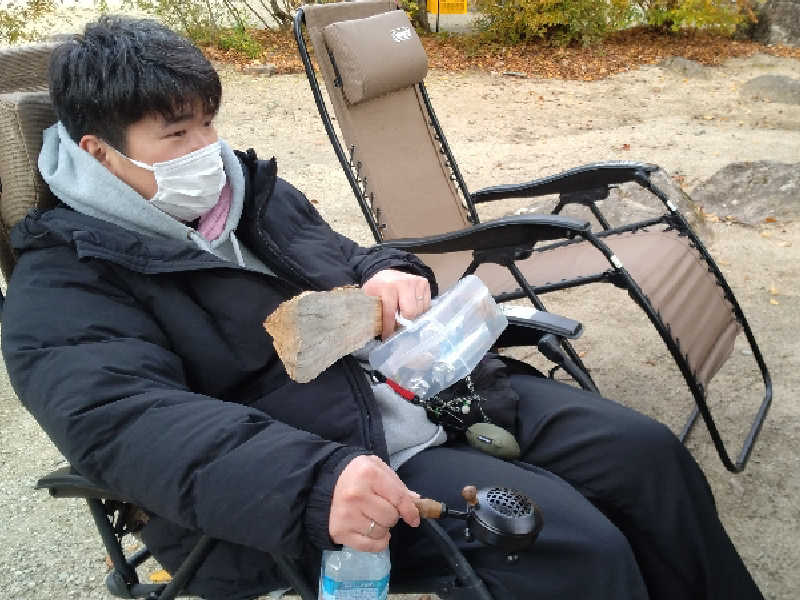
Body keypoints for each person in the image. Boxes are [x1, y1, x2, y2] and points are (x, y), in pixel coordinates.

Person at [0, 16, 763, 600]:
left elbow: (348, 254)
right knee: (568, 544)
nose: (208, 149)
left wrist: (390, 273)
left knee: (644, 455)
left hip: (430, 382)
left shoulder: (250, 193)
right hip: (327, 461)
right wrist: (311, 480)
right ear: (99, 151)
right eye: (177, 134)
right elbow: (123, 421)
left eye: (209, 122)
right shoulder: (64, 281)